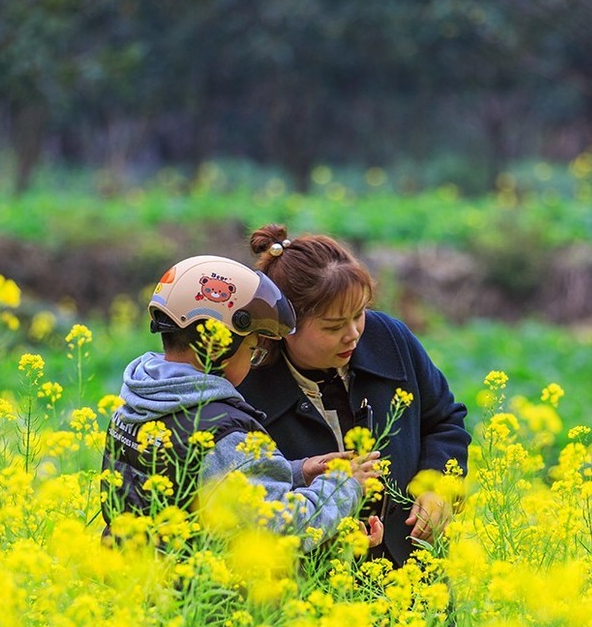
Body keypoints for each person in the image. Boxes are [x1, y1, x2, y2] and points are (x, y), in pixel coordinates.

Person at [101, 253, 383, 552]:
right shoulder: (220, 431)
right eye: (251, 348)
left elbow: (210, 478)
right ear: (218, 346)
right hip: (195, 594)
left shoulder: (141, 397)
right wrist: (345, 485)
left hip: (135, 582)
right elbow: (283, 530)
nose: (253, 360)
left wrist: (298, 472)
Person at [238, 224, 470, 566]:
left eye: (359, 314)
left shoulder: (390, 339)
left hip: (414, 574)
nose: (353, 335)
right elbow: (249, 495)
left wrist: (437, 487)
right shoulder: (248, 384)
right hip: (311, 589)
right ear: (286, 325)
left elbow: (444, 420)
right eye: (333, 326)